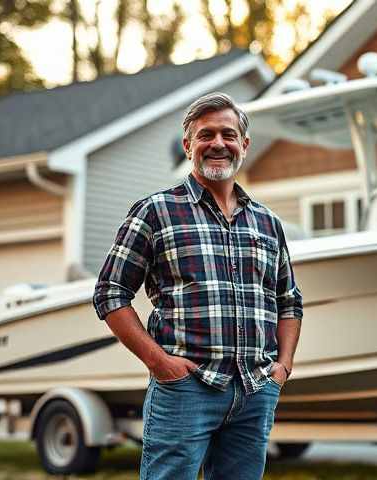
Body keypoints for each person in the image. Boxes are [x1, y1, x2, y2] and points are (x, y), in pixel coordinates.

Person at [92, 92, 303, 480]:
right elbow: (110, 292)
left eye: (228, 134)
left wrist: (282, 368)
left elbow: (288, 301)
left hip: (255, 391)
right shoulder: (154, 211)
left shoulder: (267, 222)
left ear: (244, 145)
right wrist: (159, 362)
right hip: (185, 390)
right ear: (188, 145)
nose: (218, 144)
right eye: (206, 135)